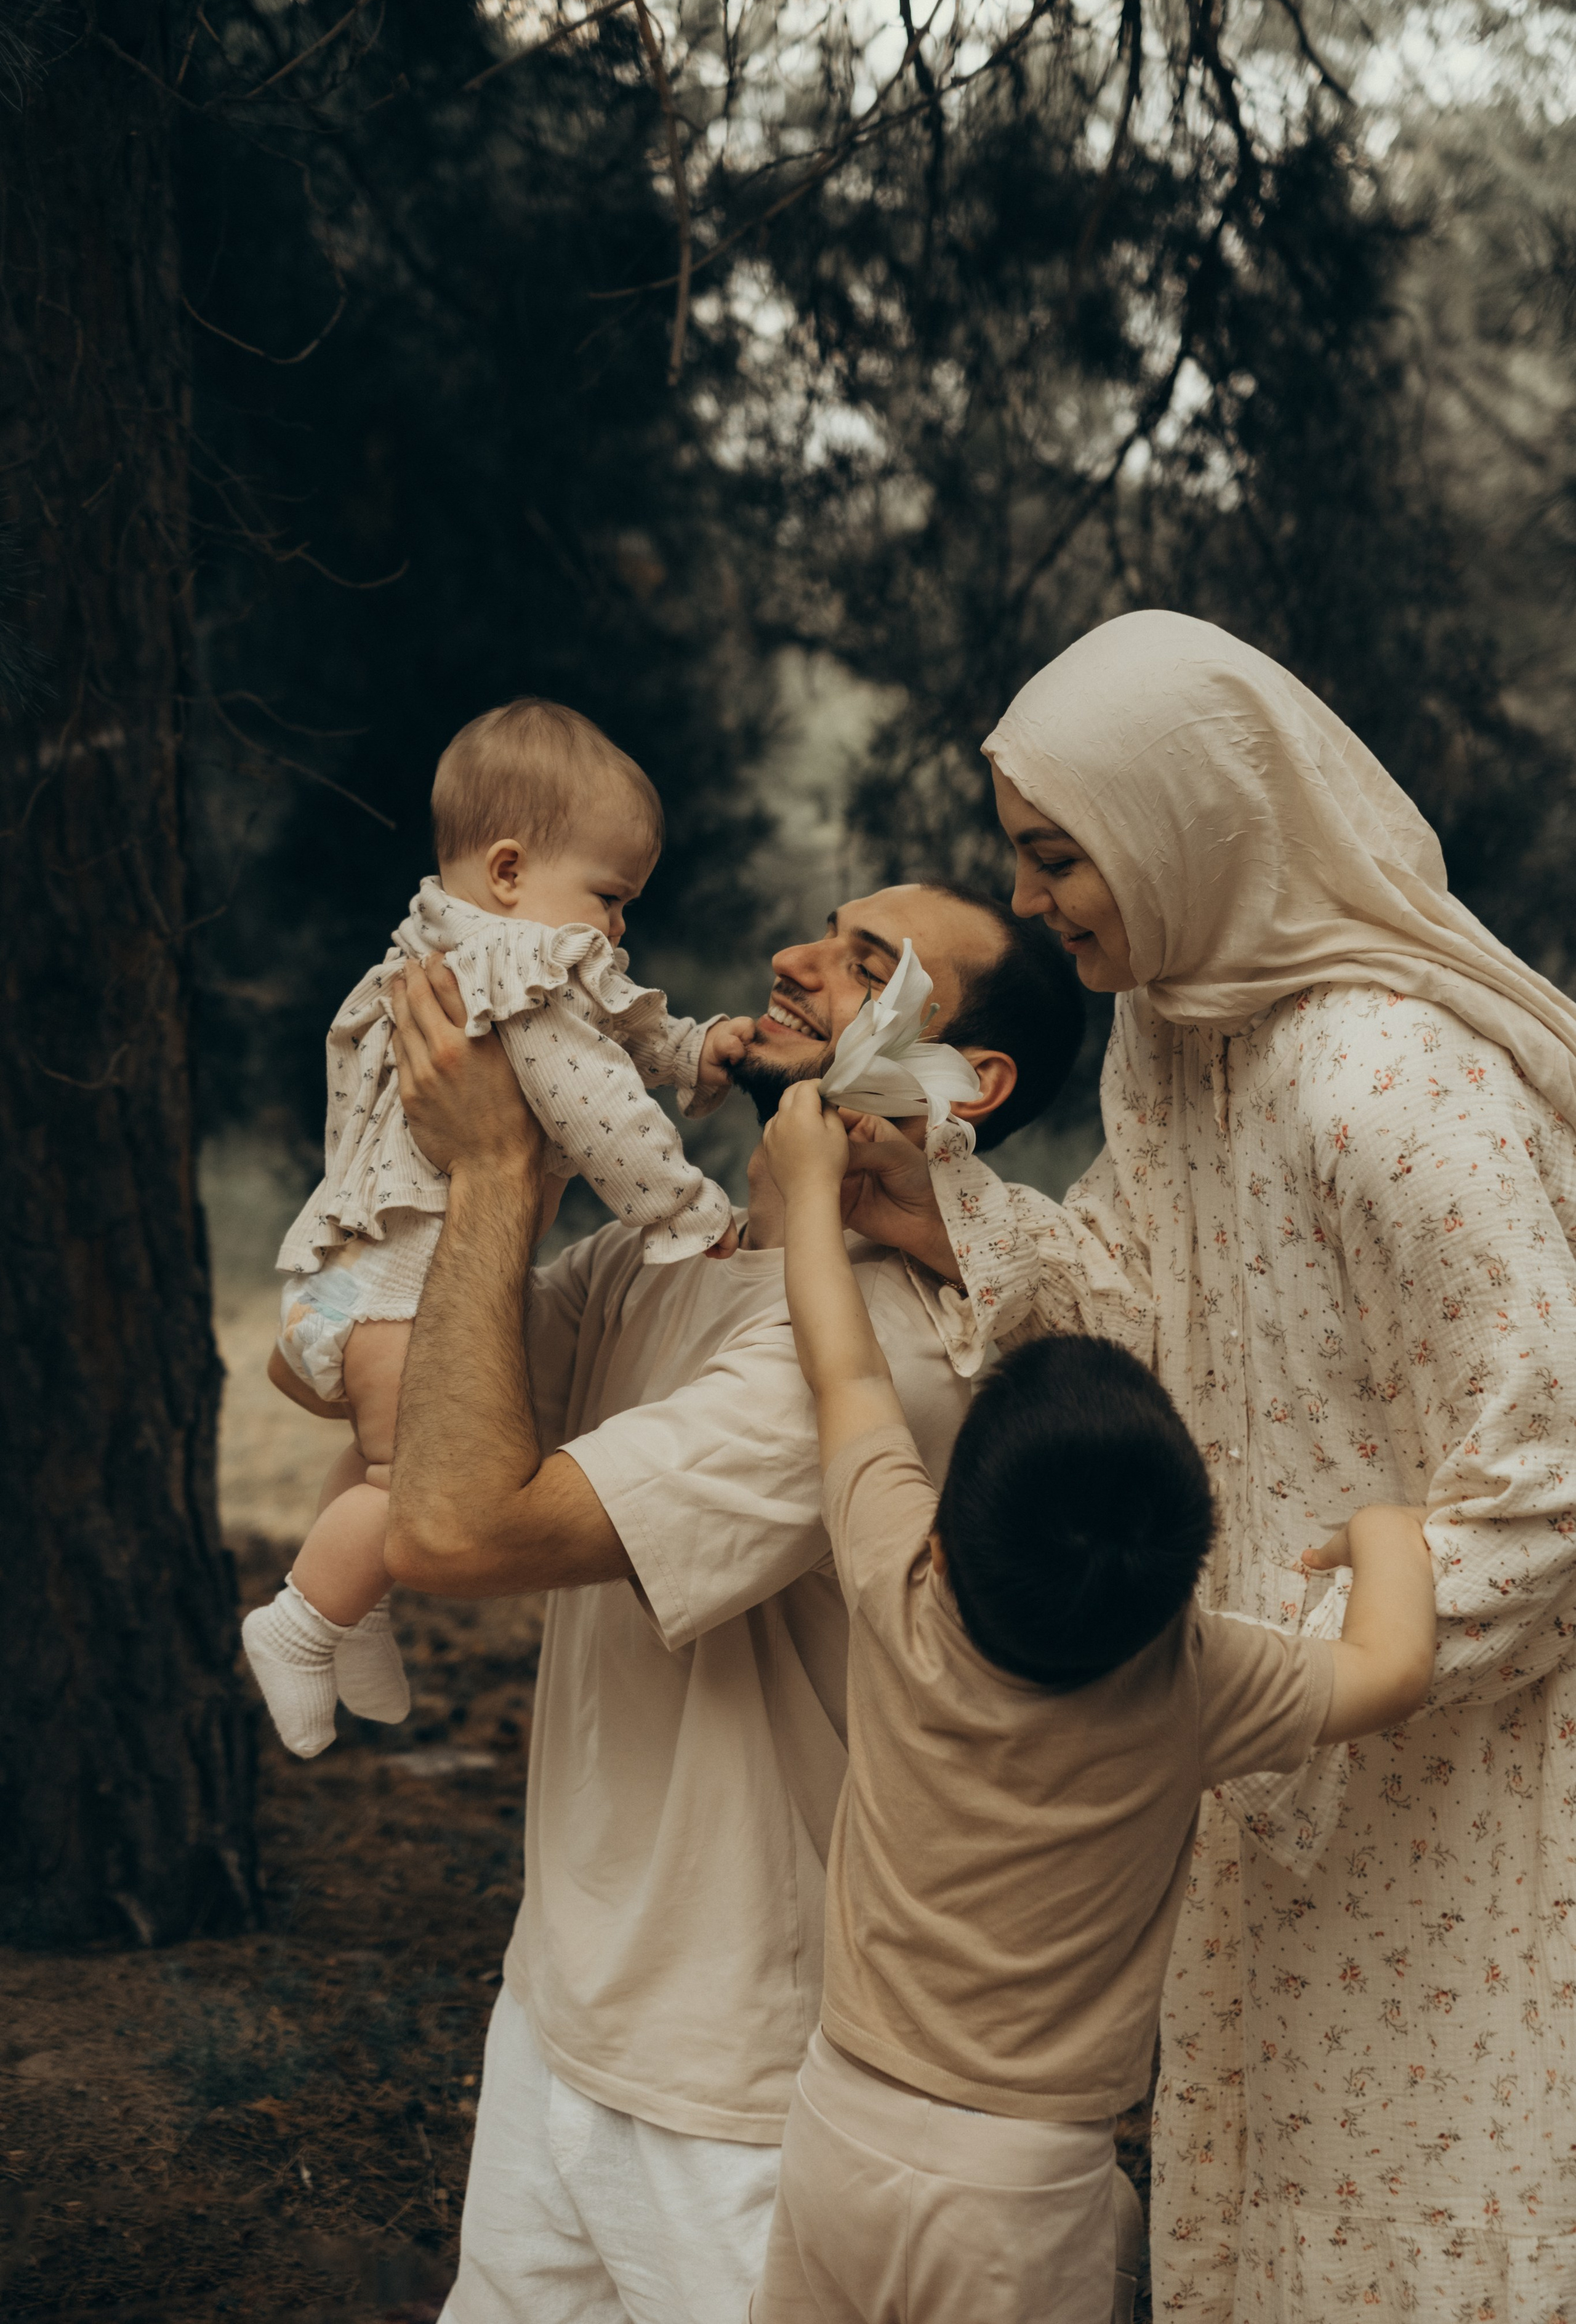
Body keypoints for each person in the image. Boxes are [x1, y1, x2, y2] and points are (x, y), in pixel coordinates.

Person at [832, 611, 1576, 2320]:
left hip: (1433, 1781)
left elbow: (1550, 1469)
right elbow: (1145, 1293)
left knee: (1427, 2210)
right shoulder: (1185, 1027)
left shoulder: (1389, 1082)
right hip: (1264, 1748)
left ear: (1185, 825)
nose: (1028, 904)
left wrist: (1345, 1660)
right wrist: (943, 1222)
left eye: (1054, 855)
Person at [377, 883, 1084, 2324]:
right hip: (560, 2005)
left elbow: (454, 1530)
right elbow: (387, 1417)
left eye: (866, 964)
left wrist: (498, 1178)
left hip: (736, 2084)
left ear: (970, 1080)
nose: (793, 962)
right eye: (824, 934)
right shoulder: (677, 1256)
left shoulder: (873, 1348)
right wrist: (417, 1143)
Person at [745, 1076, 1437, 2324]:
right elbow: (1390, 1669)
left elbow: (841, 1371)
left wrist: (804, 1191)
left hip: (838, 2119)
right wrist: (1383, 1530)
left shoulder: (905, 1591)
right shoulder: (1195, 1679)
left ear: (951, 1538)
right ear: (1179, 1577)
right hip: (1024, 2189)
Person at [241, 697, 753, 1758]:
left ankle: (356, 1612)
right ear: (512, 872)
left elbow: (625, 1024)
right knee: (401, 1478)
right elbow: (597, 1104)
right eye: (610, 897)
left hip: (356, 1263)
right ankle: (302, 1622)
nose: (619, 928)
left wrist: (699, 1051)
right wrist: (683, 1206)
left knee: (397, 1464)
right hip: (395, 1279)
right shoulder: (512, 979)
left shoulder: (458, 949)